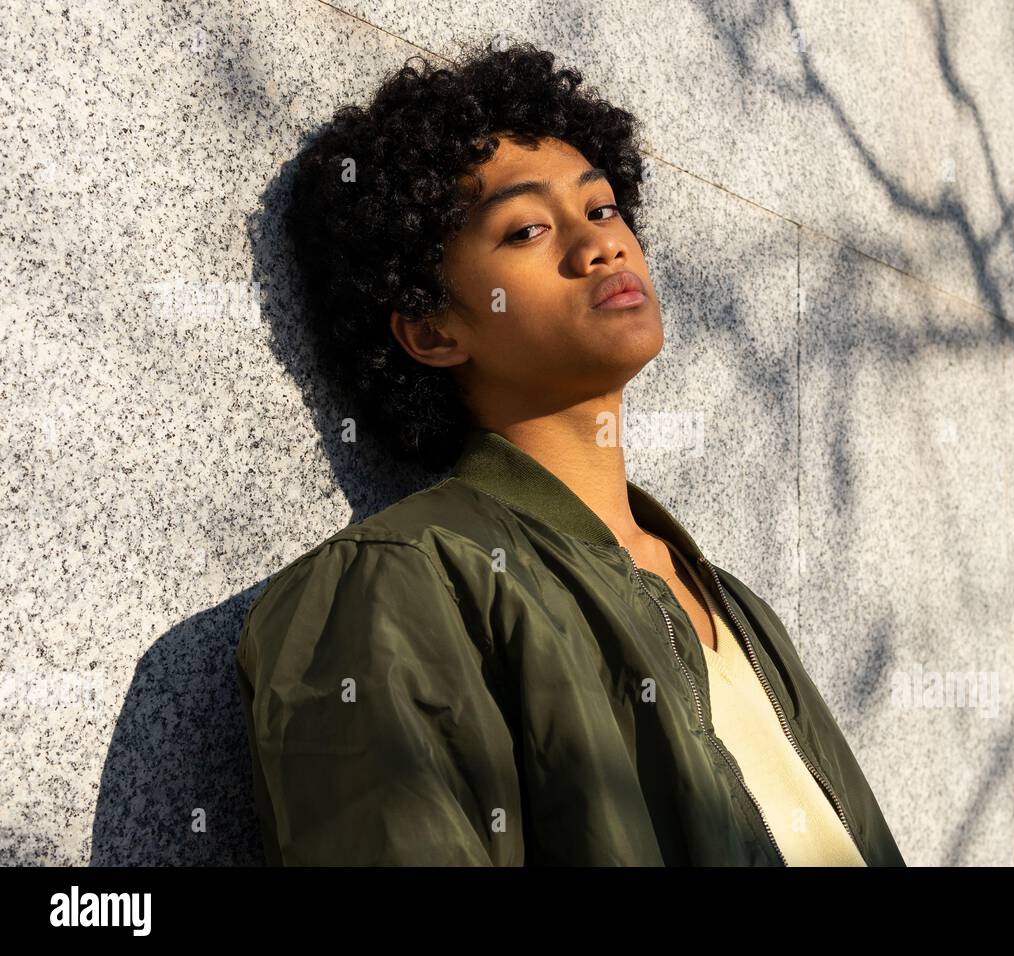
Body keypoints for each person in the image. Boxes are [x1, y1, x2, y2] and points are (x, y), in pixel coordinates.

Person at [235, 39, 904, 867]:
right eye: (526, 229)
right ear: (432, 328)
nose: (602, 246)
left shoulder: (731, 602)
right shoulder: (402, 582)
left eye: (601, 209)